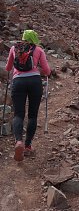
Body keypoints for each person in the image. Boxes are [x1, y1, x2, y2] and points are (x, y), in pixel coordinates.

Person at [5, 30, 51, 161]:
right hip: (34, 82)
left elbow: (8, 68)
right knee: (32, 114)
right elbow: (47, 70)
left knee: (18, 114)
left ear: (23, 38)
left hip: (18, 82)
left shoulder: (14, 48)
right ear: (34, 38)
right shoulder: (39, 50)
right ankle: (28, 146)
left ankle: (18, 141)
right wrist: (47, 71)